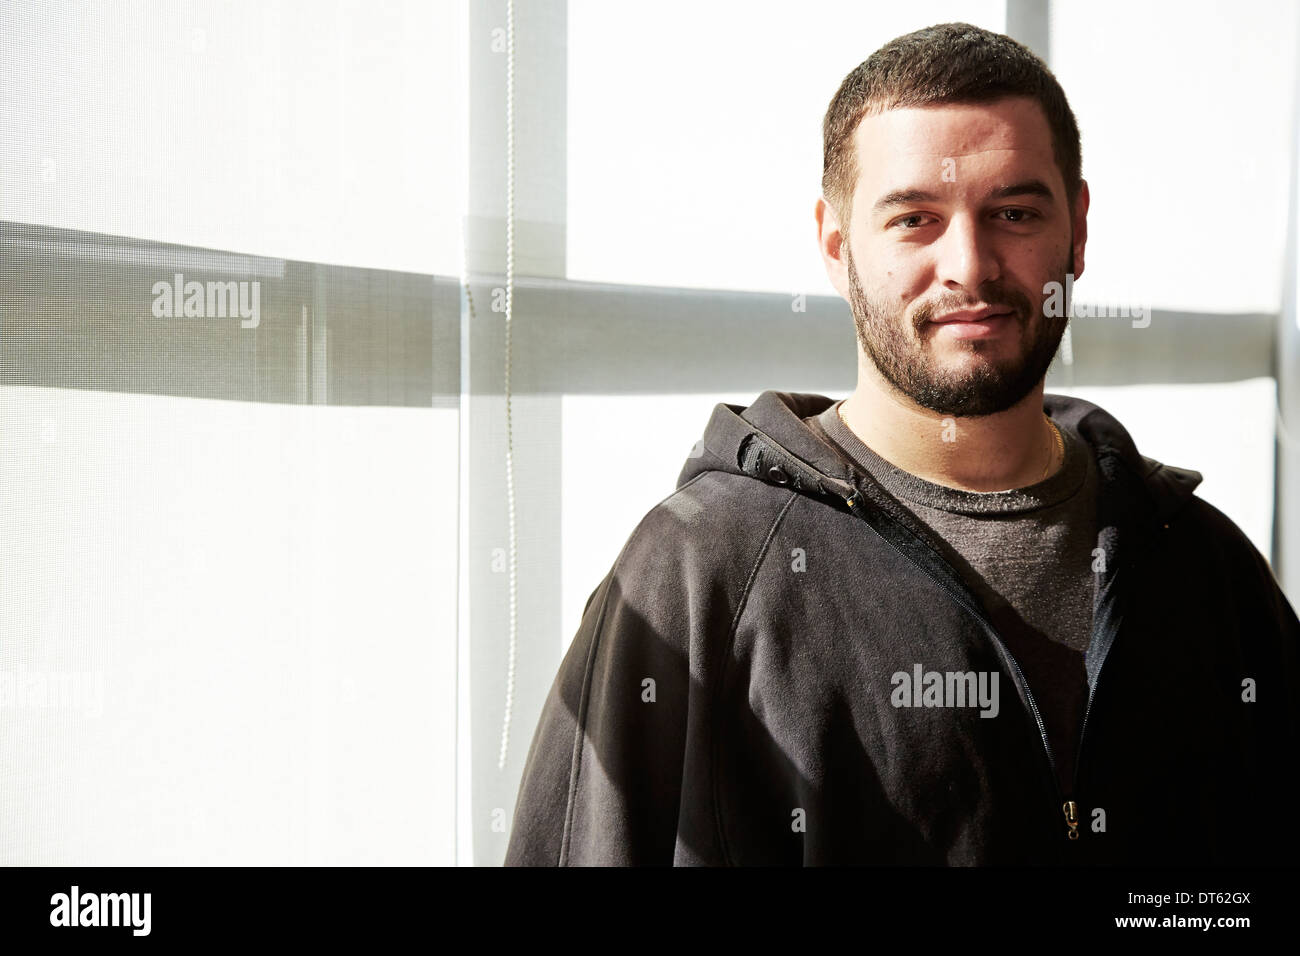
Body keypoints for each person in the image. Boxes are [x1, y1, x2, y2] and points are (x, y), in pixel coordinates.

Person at [504, 22, 1300, 865]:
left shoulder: (1202, 565)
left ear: (1078, 232)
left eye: (1016, 212)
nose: (970, 264)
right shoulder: (697, 578)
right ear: (837, 247)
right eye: (916, 219)